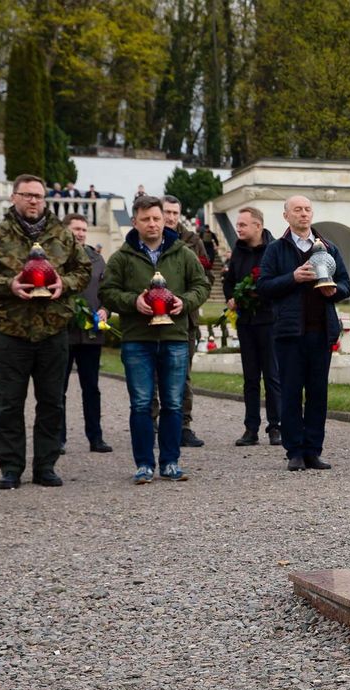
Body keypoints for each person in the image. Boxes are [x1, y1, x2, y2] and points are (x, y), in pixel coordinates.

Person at [0, 174, 93, 489]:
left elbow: (84, 269)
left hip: (52, 331)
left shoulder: (62, 236)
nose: (33, 201)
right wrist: (8, 285)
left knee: (51, 402)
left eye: (38, 195)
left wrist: (66, 284)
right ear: (14, 198)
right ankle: (11, 467)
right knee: (10, 403)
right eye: (27, 195)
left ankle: (45, 466)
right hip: (11, 331)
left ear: (45, 199)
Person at [99, 195, 210, 484]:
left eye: (156, 218)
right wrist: (132, 301)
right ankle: (144, 464)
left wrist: (183, 302)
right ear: (134, 222)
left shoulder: (183, 253)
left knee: (173, 403)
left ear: (165, 220)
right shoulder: (122, 257)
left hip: (174, 337)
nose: (152, 223)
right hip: (138, 339)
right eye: (146, 219)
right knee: (141, 404)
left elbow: (202, 285)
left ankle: (171, 462)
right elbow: (107, 292)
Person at [256, 195, 350, 471]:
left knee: (318, 393)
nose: (303, 214)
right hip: (289, 332)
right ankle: (294, 451)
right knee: (291, 392)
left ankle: (313, 450)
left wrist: (336, 291)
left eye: (307, 209)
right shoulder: (276, 249)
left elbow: (346, 283)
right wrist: (292, 278)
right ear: (286, 215)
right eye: (297, 210)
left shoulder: (328, 247)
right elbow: (264, 286)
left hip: (321, 331)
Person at [152, 195, 211, 447]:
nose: (171, 217)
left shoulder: (193, 241)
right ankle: (152, 421)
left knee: (182, 374)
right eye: (167, 212)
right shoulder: (148, 238)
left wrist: (185, 299)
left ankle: (183, 424)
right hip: (151, 317)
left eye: (175, 213)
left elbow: (205, 277)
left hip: (184, 318)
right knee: (152, 372)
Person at [223, 206, 281, 447]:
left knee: (272, 376)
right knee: (250, 378)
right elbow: (229, 281)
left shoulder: (275, 250)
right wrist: (231, 298)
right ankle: (251, 428)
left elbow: (280, 282)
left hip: (269, 320)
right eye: (238, 225)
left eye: (243, 225)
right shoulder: (237, 251)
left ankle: (276, 427)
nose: (239, 228)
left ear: (258, 226)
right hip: (246, 321)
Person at [60, 213, 112, 454]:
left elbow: (107, 291)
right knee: (57, 388)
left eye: (83, 229)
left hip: (90, 333)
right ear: (65, 230)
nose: (80, 233)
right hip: (62, 332)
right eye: (76, 229)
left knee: (91, 387)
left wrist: (105, 310)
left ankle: (96, 437)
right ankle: (57, 439)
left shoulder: (97, 259)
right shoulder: (55, 256)